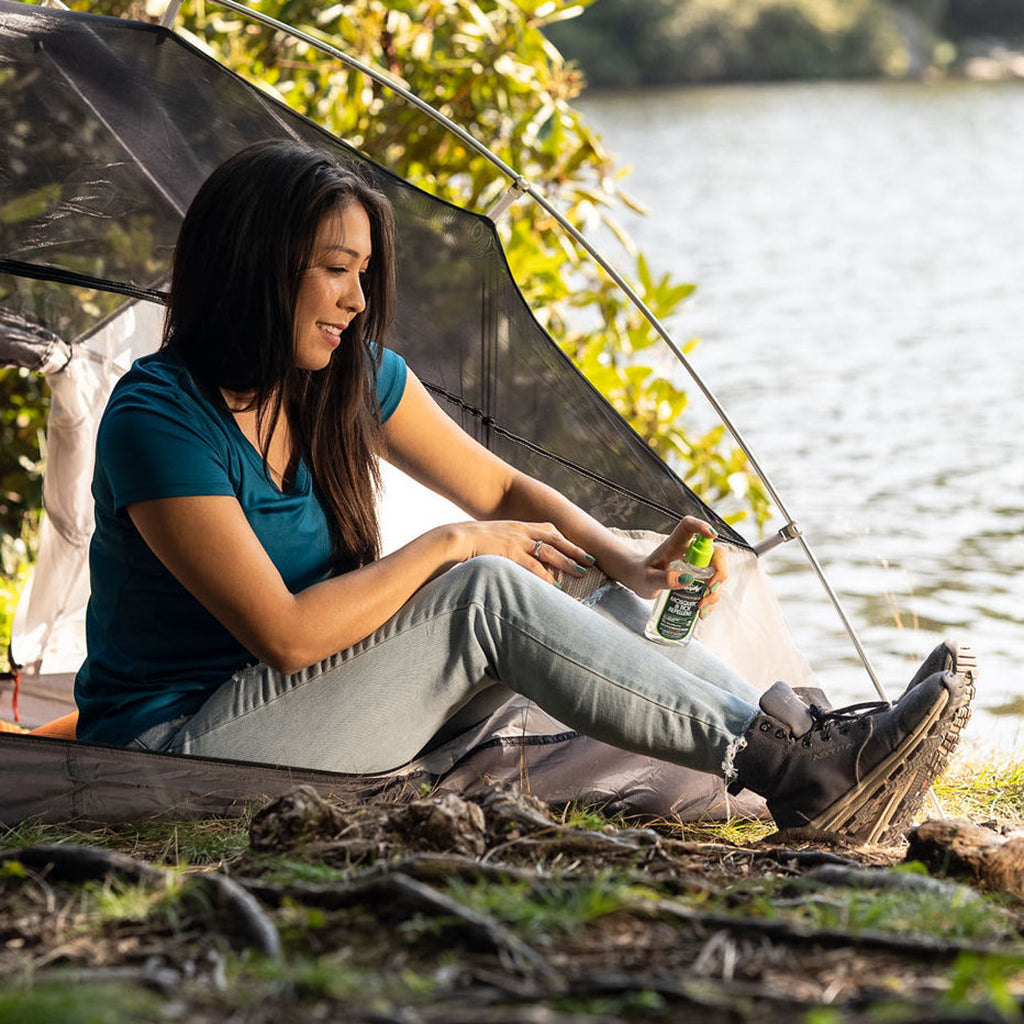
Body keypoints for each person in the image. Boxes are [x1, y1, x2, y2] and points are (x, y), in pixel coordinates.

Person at [73, 140, 973, 841]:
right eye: (335, 268)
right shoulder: (159, 416)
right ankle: (794, 770)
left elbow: (498, 487)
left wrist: (621, 560)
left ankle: (809, 742)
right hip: (184, 753)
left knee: (561, 575)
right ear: (257, 265)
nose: (356, 301)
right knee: (483, 583)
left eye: (364, 275)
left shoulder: (349, 378)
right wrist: (452, 545)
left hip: (313, 719)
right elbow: (285, 633)